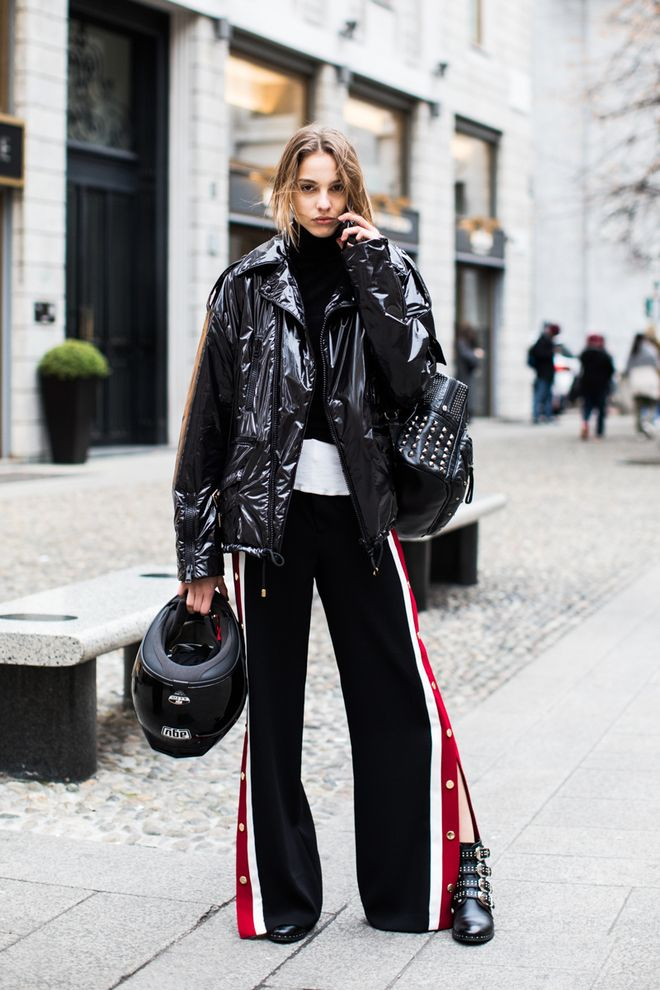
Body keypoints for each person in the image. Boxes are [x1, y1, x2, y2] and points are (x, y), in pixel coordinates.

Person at [172, 125, 494, 947]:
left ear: (355, 192)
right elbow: (206, 425)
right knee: (274, 714)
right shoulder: (245, 284)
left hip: (362, 515)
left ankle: (409, 892)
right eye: (308, 188)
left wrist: (378, 268)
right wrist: (198, 558)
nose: (322, 205)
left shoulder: (386, 270)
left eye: (335, 189)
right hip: (270, 526)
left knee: (397, 700)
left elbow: (418, 376)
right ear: (285, 188)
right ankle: (286, 900)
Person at [578, 334, 615, 440]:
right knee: (601, 409)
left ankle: (585, 423)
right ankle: (599, 432)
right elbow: (611, 371)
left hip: (587, 385)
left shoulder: (584, 354)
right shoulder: (605, 355)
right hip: (601, 386)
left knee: (587, 407)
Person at [625, 332, 660, 437]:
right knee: (652, 404)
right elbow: (656, 365)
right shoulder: (650, 350)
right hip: (649, 380)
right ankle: (648, 421)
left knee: (639, 407)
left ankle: (640, 430)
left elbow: (627, 369)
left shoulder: (633, 351)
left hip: (636, 382)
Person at [528, 321, 560, 423]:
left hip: (547, 373)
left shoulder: (547, 340)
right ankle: (536, 416)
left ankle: (547, 415)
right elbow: (539, 354)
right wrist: (552, 352)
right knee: (540, 395)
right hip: (543, 373)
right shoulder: (543, 341)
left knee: (547, 396)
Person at [456, 324, 484, 418]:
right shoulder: (461, 343)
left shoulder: (467, 343)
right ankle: (466, 415)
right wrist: (475, 355)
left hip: (467, 373)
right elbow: (467, 356)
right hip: (464, 374)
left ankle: (468, 414)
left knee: (469, 395)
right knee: (466, 395)